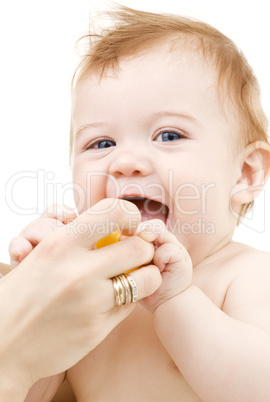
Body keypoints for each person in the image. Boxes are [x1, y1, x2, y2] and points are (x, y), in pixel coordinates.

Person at [8, 5, 270, 401]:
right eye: (102, 143)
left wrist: (175, 301)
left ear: (245, 174)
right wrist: (36, 290)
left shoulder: (244, 275)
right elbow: (31, 392)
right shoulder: (90, 291)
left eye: (168, 135)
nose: (125, 161)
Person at [2, 199, 161, 402]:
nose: (124, 165)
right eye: (94, 163)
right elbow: (36, 394)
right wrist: (28, 294)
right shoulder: (82, 297)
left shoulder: (214, 287)